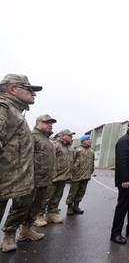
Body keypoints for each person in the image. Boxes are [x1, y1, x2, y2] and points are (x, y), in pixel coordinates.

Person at [0, 74, 42, 252]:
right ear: (11, 89)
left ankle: (13, 234)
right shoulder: (3, 106)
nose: (34, 94)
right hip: (4, 178)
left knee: (21, 208)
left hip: (16, 178)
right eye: (29, 89)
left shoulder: (16, 111)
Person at [29, 115, 57, 228]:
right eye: (46, 122)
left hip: (45, 180)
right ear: (38, 123)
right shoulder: (32, 136)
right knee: (24, 208)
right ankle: (12, 234)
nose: (50, 125)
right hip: (33, 179)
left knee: (37, 205)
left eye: (51, 123)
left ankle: (26, 230)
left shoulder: (48, 140)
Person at [46, 129, 75, 224]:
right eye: (69, 135)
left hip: (63, 177)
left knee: (57, 197)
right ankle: (38, 215)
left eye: (71, 136)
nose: (71, 137)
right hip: (53, 177)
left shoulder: (69, 148)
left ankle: (52, 214)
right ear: (62, 136)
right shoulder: (55, 145)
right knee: (46, 198)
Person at [66, 135, 94, 215]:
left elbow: (92, 162)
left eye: (90, 139)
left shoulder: (91, 151)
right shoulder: (77, 150)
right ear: (83, 141)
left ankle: (76, 206)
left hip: (86, 175)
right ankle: (69, 207)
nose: (89, 141)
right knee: (73, 192)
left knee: (81, 192)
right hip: (76, 175)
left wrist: (91, 171)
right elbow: (71, 161)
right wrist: (72, 172)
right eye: (88, 139)